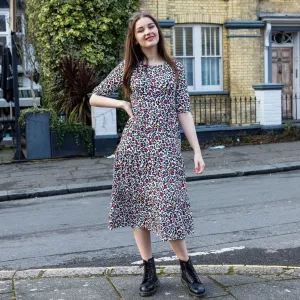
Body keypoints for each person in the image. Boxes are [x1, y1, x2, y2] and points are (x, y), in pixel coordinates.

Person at [90, 11, 206, 298]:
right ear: (136, 38)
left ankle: (186, 266)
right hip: (134, 147)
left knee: (168, 207)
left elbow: (183, 111)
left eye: (150, 27)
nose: (147, 32)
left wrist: (197, 151)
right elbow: (94, 96)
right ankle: (148, 268)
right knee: (139, 210)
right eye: (140, 30)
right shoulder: (130, 67)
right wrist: (121, 103)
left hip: (165, 150)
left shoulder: (175, 68)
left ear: (157, 31)